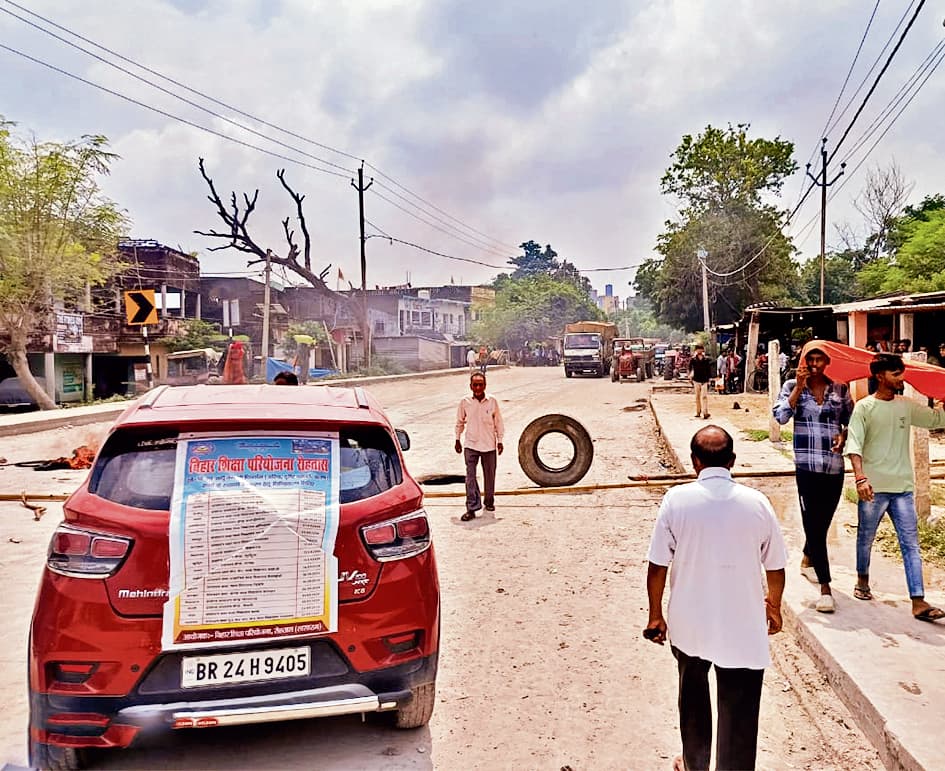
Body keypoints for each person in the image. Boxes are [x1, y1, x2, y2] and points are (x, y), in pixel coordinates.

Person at [645, 426, 787, 771]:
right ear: (733, 461)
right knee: (739, 708)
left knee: (692, 698)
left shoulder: (676, 500)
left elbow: (657, 565)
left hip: (689, 623)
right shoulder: (757, 503)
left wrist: (655, 615)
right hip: (743, 627)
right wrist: (774, 606)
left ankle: (695, 763)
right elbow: (776, 566)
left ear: (695, 462)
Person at [845, 353, 945, 622]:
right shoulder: (864, 408)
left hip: (902, 487)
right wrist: (860, 478)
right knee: (865, 537)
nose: (902, 378)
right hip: (873, 488)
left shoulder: (906, 405)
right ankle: (862, 579)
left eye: (901, 373)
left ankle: (918, 600)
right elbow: (853, 445)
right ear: (880, 376)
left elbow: (937, 420)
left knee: (910, 544)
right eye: (896, 374)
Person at [773, 345, 853, 613]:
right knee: (814, 524)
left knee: (823, 521)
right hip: (806, 465)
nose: (816, 364)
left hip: (833, 466)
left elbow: (851, 421)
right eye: (811, 359)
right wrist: (799, 387)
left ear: (828, 362)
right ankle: (826, 589)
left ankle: (808, 559)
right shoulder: (791, 385)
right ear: (803, 362)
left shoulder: (840, 389)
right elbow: (781, 417)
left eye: (820, 359)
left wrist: (844, 434)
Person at [455, 372, 504, 522]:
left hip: (489, 445)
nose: (477, 387)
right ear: (470, 386)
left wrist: (500, 441)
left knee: (490, 475)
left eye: (480, 384)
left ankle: (489, 501)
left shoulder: (492, 401)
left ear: (485, 386)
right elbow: (460, 422)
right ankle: (471, 507)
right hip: (471, 444)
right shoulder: (465, 402)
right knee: (470, 476)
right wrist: (457, 439)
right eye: (475, 384)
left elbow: (499, 422)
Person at [689, 345, 712, 419]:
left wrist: (709, 379)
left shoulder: (706, 359)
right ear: (696, 350)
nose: (699, 351)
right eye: (698, 349)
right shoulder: (693, 359)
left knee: (704, 397)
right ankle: (698, 412)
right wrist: (690, 376)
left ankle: (705, 412)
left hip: (704, 380)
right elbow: (690, 368)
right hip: (696, 380)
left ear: (703, 350)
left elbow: (709, 370)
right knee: (697, 397)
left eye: (701, 349)